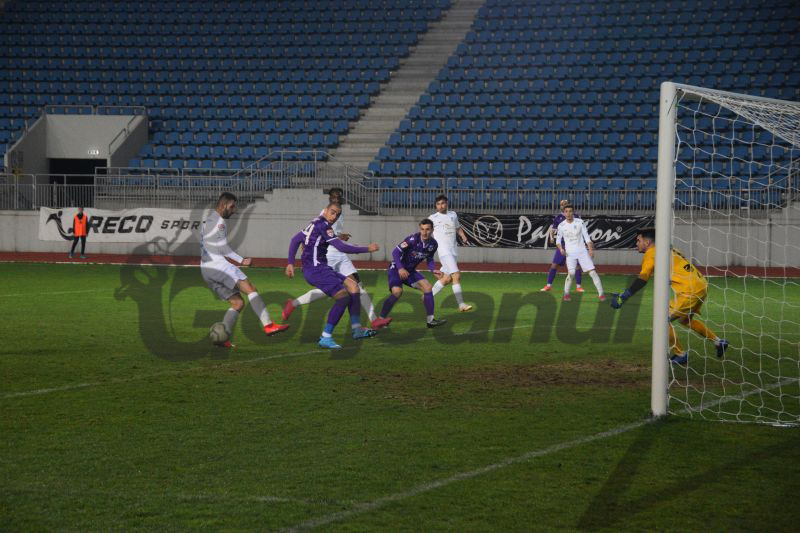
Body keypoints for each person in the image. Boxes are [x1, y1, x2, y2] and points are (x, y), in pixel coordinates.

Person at [610, 227, 729, 365]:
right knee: (685, 320)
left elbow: (643, 279)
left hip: (689, 290)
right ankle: (718, 342)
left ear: (647, 242)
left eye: (638, 240)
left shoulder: (651, 253)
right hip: (701, 284)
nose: (636, 243)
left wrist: (624, 297)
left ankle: (680, 354)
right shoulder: (669, 249)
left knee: (662, 320)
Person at [282, 188, 388, 329]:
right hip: (328, 254)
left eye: (339, 197)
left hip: (339, 252)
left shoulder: (338, 213)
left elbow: (324, 234)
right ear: (329, 200)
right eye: (334, 197)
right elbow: (321, 235)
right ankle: (326, 332)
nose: (336, 199)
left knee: (354, 285)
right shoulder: (324, 215)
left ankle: (368, 322)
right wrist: (366, 248)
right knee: (336, 291)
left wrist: (339, 236)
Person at [200, 192, 289, 348]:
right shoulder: (219, 222)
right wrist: (241, 260)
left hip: (206, 269)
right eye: (232, 207)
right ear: (223, 205)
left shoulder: (208, 220)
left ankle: (222, 338)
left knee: (238, 303)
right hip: (218, 265)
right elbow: (222, 248)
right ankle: (269, 325)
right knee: (250, 289)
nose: (234, 210)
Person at [374, 218, 447, 328]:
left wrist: (433, 270)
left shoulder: (433, 244)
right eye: (422, 229)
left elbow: (429, 259)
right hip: (396, 268)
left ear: (432, 230)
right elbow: (395, 252)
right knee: (397, 292)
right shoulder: (412, 239)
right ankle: (380, 320)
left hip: (410, 271)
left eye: (427, 229)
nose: (424, 232)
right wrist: (400, 268)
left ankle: (430, 321)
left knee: (427, 287)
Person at [429, 194, 473, 312]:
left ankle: (427, 296)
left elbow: (458, 228)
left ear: (447, 204)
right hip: (444, 251)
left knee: (447, 279)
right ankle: (461, 305)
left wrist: (463, 236)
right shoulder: (432, 218)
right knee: (456, 275)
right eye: (438, 204)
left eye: (443, 203)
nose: (440, 206)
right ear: (436, 206)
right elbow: (426, 232)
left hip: (453, 250)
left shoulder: (453, 215)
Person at [555, 204, 605, 302]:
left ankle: (601, 294)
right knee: (571, 273)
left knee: (593, 272)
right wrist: (561, 249)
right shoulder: (561, 226)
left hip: (582, 252)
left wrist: (590, 250)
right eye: (566, 211)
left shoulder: (580, 222)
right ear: (564, 213)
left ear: (573, 212)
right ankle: (566, 294)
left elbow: (587, 237)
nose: (568, 213)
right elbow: (558, 241)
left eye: (570, 211)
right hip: (570, 253)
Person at [541, 199, 583, 292]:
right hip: (562, 245)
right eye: (562, 204)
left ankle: (578, 286)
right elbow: (553, 229)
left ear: (568, 205)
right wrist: (551, 237)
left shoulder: (576, 217)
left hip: (574, 245)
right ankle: (548, 285)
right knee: (554, 265)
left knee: (577, 266)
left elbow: (581, 229)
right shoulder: (558, 218)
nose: (563, 205)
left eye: (565, 204)